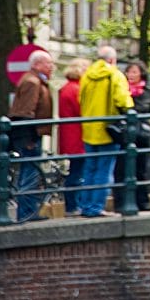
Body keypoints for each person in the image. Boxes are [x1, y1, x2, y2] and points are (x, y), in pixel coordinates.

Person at [77, 45, 131, 218]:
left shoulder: (86, 76)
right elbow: (122, 99)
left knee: (89, 170)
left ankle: (86, 206)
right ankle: (96, 207)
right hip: (108, 130)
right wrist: (130, 109)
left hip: (89, 130)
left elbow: (80, 99)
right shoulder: (114, 74)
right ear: (112, 60)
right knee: (104, 170)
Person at [7, 50, 55, 222]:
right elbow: (24, 112)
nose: (51, 67)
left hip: (32, 133)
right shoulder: (33, 82)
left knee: (30, 171)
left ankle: (29, 211)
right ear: (37, 64)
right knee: (30, 172)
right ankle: (27, 213)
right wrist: (29, 138)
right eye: (48, 63)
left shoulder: (34, 80)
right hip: (30, 135)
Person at [112, 60, 150, 213]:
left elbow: (143, 109)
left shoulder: (147, 92)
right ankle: (121, 202)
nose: (130, 75)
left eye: (134, 72)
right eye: (129, 72)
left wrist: (129, 105)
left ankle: (142, 201)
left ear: (141, 74)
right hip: (124, 135)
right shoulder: (121, 90)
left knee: (141, 169)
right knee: (121, 169)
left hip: (141, 135)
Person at [57, 58, 89, 215]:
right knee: (78, 172)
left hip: (69, 135)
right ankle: (73, 206)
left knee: (76, 170)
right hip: (77, 135)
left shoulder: (66, 88)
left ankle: (73, 205)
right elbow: (83, 110)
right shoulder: (77, 89)